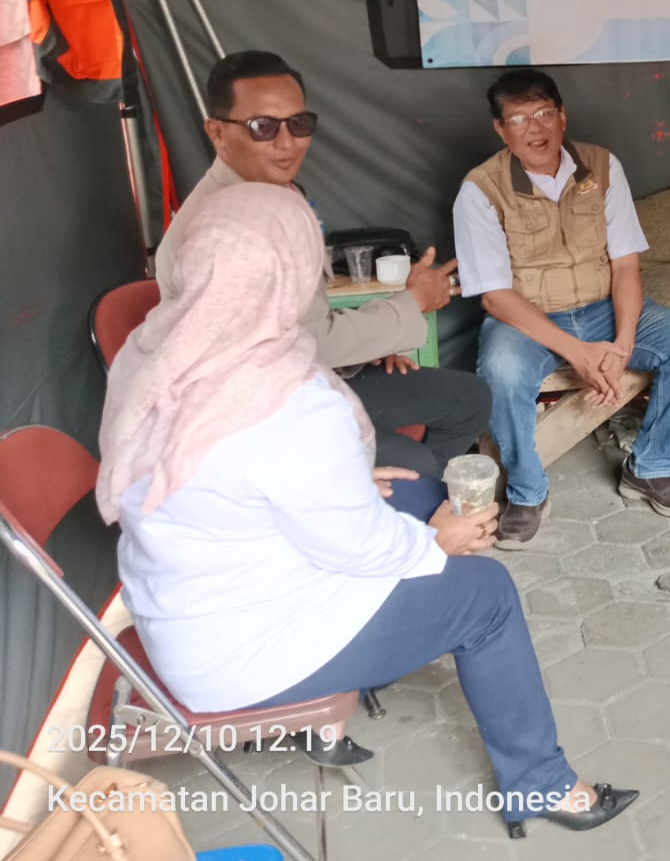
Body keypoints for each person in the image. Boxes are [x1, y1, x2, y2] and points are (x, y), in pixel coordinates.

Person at [100, 183, 637, 835]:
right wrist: (433, 544)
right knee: (485, 594)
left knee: (417, 489)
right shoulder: (287, 402)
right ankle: (542, 784)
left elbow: (235, 478)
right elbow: (357, 543)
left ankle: (416, 633)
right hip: (242, 650)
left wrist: (345, 485)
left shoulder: (152, 351)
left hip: (193, 591)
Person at [154, 50, 490, 481]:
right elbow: (312, 344)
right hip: (255, 415)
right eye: (262, 127)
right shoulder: (229, 232)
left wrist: (370, 344)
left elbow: (304, 322)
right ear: (217, 132)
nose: (287, 142)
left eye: (298, 124)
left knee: (468, 399)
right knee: (412, 467)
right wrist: (414, 302)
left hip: (309, 376)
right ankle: (378, 503)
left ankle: (403, 505)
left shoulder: (271, 191)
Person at [453, 69, 670, 546]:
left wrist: (622, 344)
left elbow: (626, 264)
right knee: (503, 369)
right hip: (527, 322)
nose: (535, 128)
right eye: (519, 119)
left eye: (544, 113)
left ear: (563, 117)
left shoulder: (602, 166)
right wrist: (580, 354)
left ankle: (649, 468)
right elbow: (495, 297)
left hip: (602, 309)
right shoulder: (480, 190)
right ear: (500, 130)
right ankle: (527, 493)